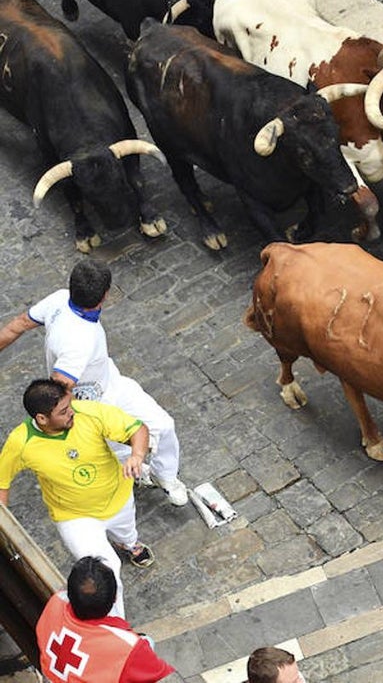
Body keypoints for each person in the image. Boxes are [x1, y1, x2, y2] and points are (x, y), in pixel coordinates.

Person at [0, 259, 186, 506]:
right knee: (118, 449)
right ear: (105, 295)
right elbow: (59, 385)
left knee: (163, 426)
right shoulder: (81, 340)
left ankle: (166, 477)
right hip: (91, 404)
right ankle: (136, 476)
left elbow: (19, 324)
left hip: (111, 382)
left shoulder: (59, 299)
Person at [0, 380, 155, 619]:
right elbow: (2, 482)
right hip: (74, 517)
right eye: (63, 412)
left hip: (118, 496)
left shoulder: (88, 412)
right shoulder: (20, 443)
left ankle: (128, 544)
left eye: (69, 405)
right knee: (105, 571)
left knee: (126, 531)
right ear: (42, 419)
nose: (71, 411)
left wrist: (137, 455)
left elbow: (137, 429)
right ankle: (115, 625)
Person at [36, 556, 174, 683]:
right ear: (114, 598)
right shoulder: (128, 648)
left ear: (70, 595)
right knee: (147, 641)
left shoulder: (56, 601)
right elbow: (162, 675)